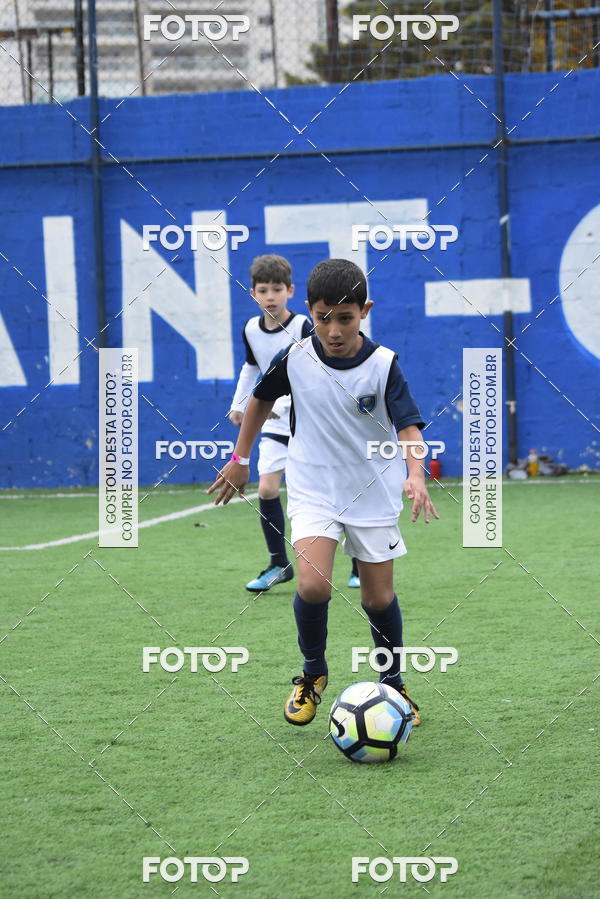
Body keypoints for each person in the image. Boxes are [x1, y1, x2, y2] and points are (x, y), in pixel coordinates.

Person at [212, 258, 438, 727]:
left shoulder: (383, 364)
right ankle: (312, 673)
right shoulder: (296, 356)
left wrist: (415, 473)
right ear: (309, 312)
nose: (333, 330)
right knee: (313, 585)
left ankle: (392, 683)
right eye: (322, 318)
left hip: (372, 494)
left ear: (364, 311)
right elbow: (259, 399)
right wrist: (240, 459)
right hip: (314, 490)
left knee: (378, 599)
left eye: (345, 318)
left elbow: (409, 428)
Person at [229, 254, 360, 593]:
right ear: (253, 294)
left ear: (289, 291)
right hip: (275, 423)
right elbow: (252, 369)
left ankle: (359, 561)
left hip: (315, 423)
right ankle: (278, 563)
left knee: (341, 488)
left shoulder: (305, 325)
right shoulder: (249, 330)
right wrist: (239, 404)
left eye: (276, 289)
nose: (270, 296)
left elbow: (319, 370)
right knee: (268, 489)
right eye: (262, 290)